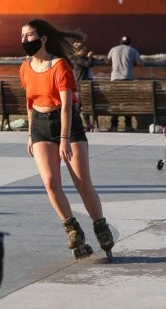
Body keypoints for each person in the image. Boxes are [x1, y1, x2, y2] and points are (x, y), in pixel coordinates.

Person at [19, 19, 114, 259]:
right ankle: (72, 229)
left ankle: (100, 226)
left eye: (29, 35)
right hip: (40, 125)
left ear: (43, 39)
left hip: (67, 126)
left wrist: (64, 138)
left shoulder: (60, 65)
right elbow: (29, 104)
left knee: (82, 182)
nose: (24, 40)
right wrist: (30, 134)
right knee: (50, 183)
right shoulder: (25, 68)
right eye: (22, 36)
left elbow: (66, 107)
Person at [104, 35, 144, 131]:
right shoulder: (132, 50)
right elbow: (140, 64)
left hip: (115, 80)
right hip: (127, 79)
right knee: (127, 103)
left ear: (120, 42)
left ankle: (113, 125)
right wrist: (132, 62)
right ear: (130, 43)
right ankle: (128, 125)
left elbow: (106, 62)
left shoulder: (113, 49)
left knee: (115, 102)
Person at [70, 41, 95, 131]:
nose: (85, 52)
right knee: (78, 106)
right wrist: (90, 56)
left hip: (82, 85)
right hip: (81, 85)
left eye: (86, 50)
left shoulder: (78, 59)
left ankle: (86, 124)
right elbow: (88, 64)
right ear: (78, 51)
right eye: (83, 51)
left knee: (83, 105)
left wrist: (89, 57)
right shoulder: (79, 59)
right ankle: (75, 124)